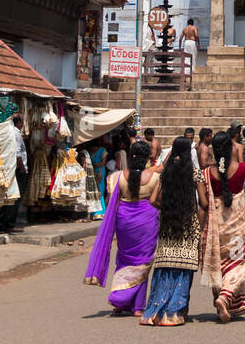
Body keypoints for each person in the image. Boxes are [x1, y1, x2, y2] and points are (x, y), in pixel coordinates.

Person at [83, 140, 160, 315]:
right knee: (143, 260)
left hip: (124, 220)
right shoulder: (155, 177)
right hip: (147, 220)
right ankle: (137, 307)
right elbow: (158, 201)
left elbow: (112, 203)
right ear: (147, 157)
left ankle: (120, 302)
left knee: (125, 259)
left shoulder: (116, 177)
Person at [141, 136, 205, 327]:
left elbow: (153, 200)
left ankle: (155, 312)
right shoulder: (195, 174)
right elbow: (204, 203)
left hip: (168, 223)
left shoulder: (165, 174)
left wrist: (167, 208)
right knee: (184, 269)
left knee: (165, 267)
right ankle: (175, 312)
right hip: (188, 225)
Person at [199, 130, 245, 321]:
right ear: (231, 148)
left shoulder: (207, 173)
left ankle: (222, 301)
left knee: (219, 264)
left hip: (216, 227)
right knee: (238, 263)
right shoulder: (242, 169)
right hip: (236, 228)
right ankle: (225, 298)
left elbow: (203, 203)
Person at [0, 115, 28, 233]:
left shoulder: (7, 132)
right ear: (19, 122)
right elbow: (17, 153)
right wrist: (22, 168)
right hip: (17, 169)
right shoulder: (16, 133)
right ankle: (8, 224)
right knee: (14, 198)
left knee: (8, 197)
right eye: (22, 121)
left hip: (9, 168)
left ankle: (1, 223)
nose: (23, 124)